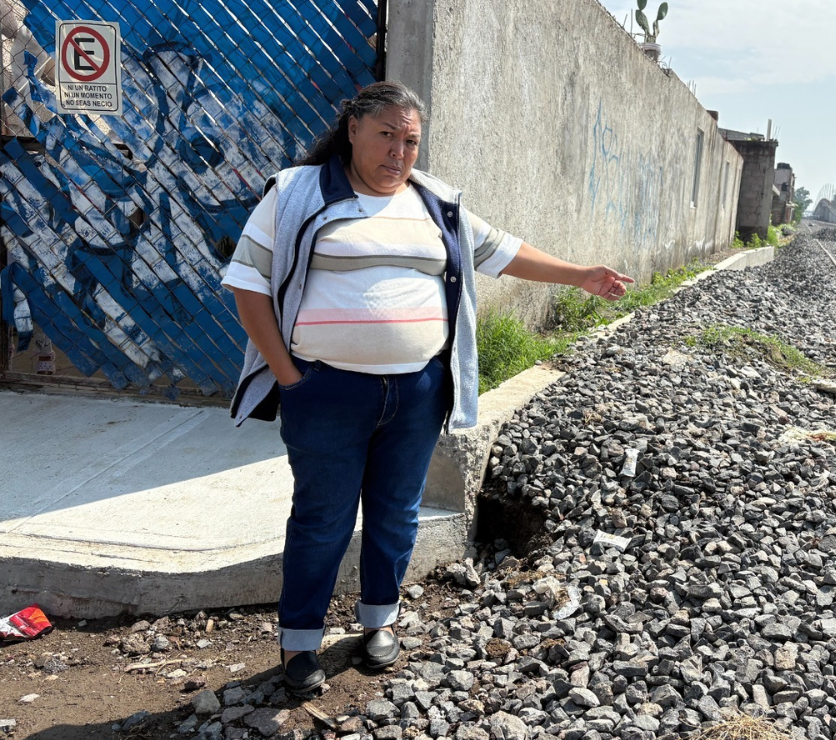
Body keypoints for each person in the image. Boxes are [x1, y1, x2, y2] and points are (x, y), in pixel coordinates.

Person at [222, 81, 632, 695]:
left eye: (410, 140)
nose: (398, 150)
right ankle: (300, 640)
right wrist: (288, 376)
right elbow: (247, 283)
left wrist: (583, 276)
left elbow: (502, 251)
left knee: (396, 515)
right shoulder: (297, 192)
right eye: (386, 133)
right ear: (353, 128)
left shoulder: (435, 201)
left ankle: (377, 621)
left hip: (416, 393)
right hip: (326, 392)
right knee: (322, 519)